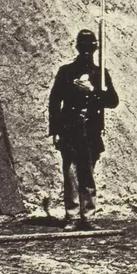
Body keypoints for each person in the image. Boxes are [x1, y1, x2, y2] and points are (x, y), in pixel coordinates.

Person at [48, 29, 119, 227]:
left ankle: (88, 217)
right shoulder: (66, 72)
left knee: (87, 173)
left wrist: (94, 91)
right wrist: (55, 131)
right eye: (84, 48)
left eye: (91, 48)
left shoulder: (101, 74)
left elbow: (113, 101)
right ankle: (72, 216)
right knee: (71, 173)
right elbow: (54, 102)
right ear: (78, 48)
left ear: (95, 49)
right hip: (70, 130)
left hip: (91, 132)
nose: (87, 52)